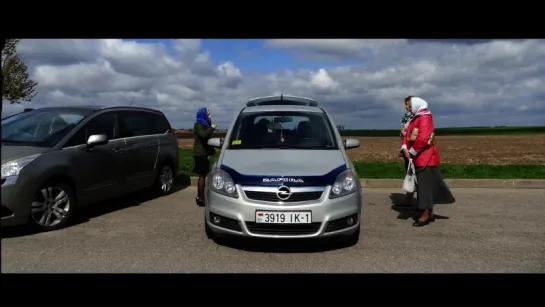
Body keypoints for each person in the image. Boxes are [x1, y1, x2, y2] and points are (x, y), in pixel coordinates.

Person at [401, 97, 455, 227]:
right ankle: (427, 211)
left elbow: (423, 138)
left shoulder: (424, 118)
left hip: (426, 158)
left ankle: (425, 214)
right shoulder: (417, 117)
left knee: (425, 186)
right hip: (420, 157)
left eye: (409, 105)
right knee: (425, 186)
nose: (407, 108)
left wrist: (412, 151)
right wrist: (404, 147)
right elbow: (407, 134)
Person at [193, 107, 216, 206]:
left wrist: (210, 125)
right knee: (202, 175)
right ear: (203, 114)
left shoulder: (205, 124)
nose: (210, 115)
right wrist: (212, 128)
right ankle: (200, 198)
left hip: (204, 153)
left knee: (203, 175)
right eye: (208, 114)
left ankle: (201, 197)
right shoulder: (198, 124)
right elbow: (203, 135)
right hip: (200, 153)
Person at [399, 96, 415, 207]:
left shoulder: (417, 116)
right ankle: (409, 196)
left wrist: (406, 134)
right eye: (405, 104)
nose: (406, 106)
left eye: (408, 103)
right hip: (406, 148)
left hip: (414, 149)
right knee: (408, 173)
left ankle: (411, 198)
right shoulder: (405, 116)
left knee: (414, 174)